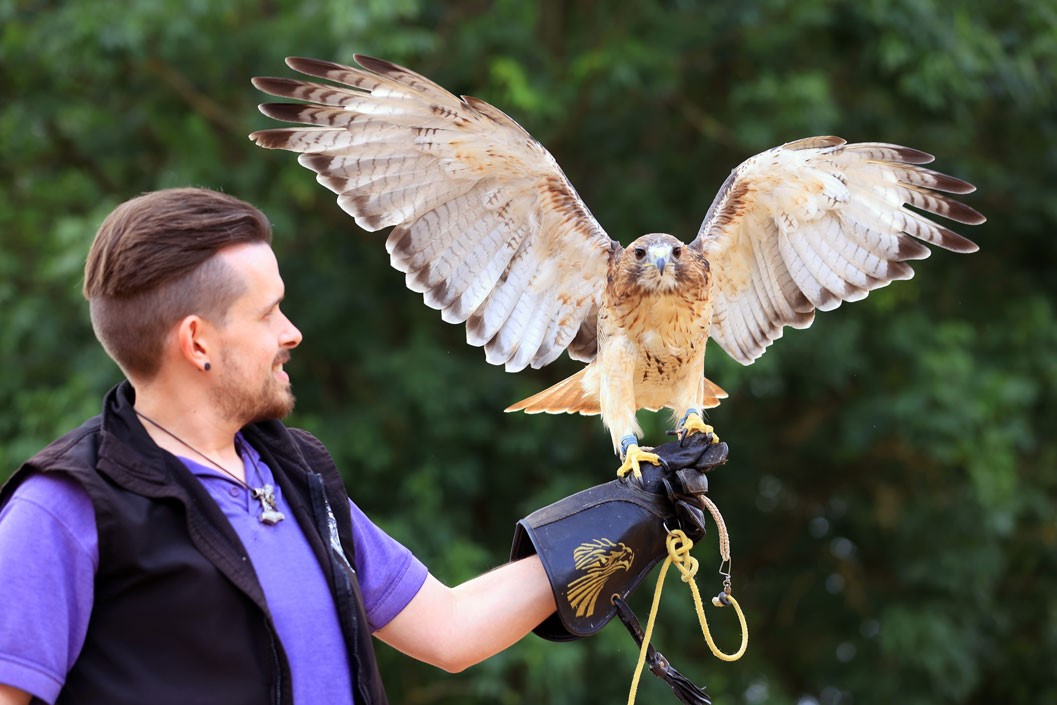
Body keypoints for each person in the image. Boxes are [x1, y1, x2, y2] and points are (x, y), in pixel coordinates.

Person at [0, 188, 717, 705]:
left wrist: (635, 514)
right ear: (197, 341)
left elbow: (450, 629)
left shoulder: (295, 473)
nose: (292, 331)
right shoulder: (65, 509)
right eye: (269, 311)